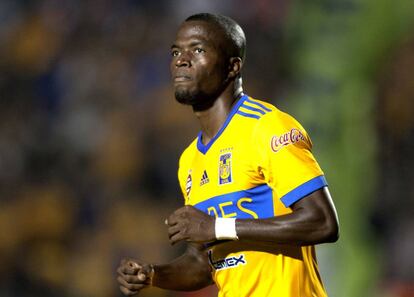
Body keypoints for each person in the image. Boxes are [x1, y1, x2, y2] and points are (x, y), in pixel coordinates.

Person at [117, 13, 339, 297]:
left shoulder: (266, 127)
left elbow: (322, 222)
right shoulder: (190, 161)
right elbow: (204, 262)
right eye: (175, 51)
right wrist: (153, 275)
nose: (180, 60)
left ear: (233, 66)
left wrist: (218, 225)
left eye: (197, 49)